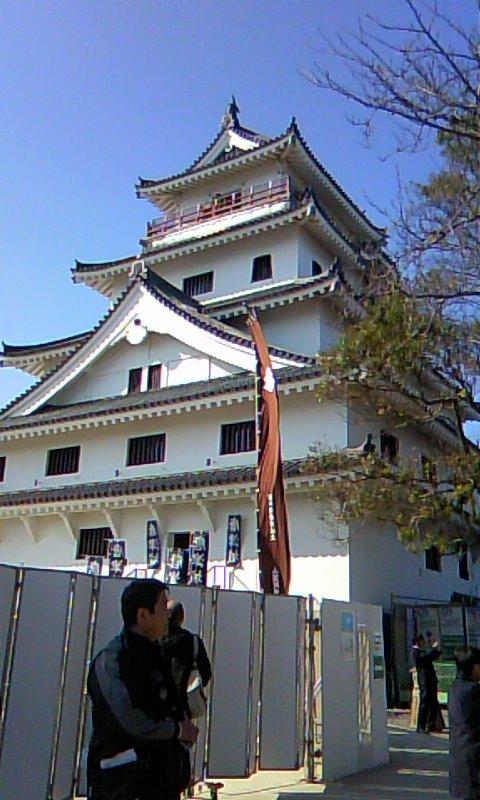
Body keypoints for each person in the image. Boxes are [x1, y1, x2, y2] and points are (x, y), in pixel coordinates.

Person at [87, 579, 198, 800]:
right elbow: (131, 719)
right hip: (124, 784)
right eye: (163, 607)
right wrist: (177, 730)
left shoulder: (154, 653)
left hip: (161, 782)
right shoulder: (113, 661)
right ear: (142, 615)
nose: (168, 615)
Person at [160, 600, 212, 719]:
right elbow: (206, 673)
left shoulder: (154, 640)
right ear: (181, 618)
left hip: (157, 708)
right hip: (182, 708)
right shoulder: (193, 642)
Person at [449, 647, 480, 800]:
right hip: (474, 758)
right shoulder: (474, 691)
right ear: (474, 667)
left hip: (459, 759)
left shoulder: (454, 688)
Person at [412, 634, 442, 733]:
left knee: (433, 702)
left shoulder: (422, 651)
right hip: (424, 681)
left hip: (431, 680)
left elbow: (434, 655)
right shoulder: (416, 652)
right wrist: (434, 648)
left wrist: (436, 648)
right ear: (417, 642)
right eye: (422, 641)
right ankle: (421, 726)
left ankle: (431, 725)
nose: (424, 643)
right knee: (424, 702)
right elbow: (428, 657)